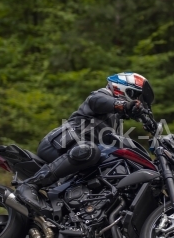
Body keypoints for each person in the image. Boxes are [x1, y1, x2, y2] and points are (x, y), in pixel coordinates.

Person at [14, 72, 154, 210]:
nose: (138, 102)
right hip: (60, 144)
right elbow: (98, 102)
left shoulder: (115, 120)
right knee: (89, 150)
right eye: (137, 97)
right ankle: (30, 184)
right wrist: (123, 105)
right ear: (125, 89)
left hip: (78, 155)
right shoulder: (102, 95)